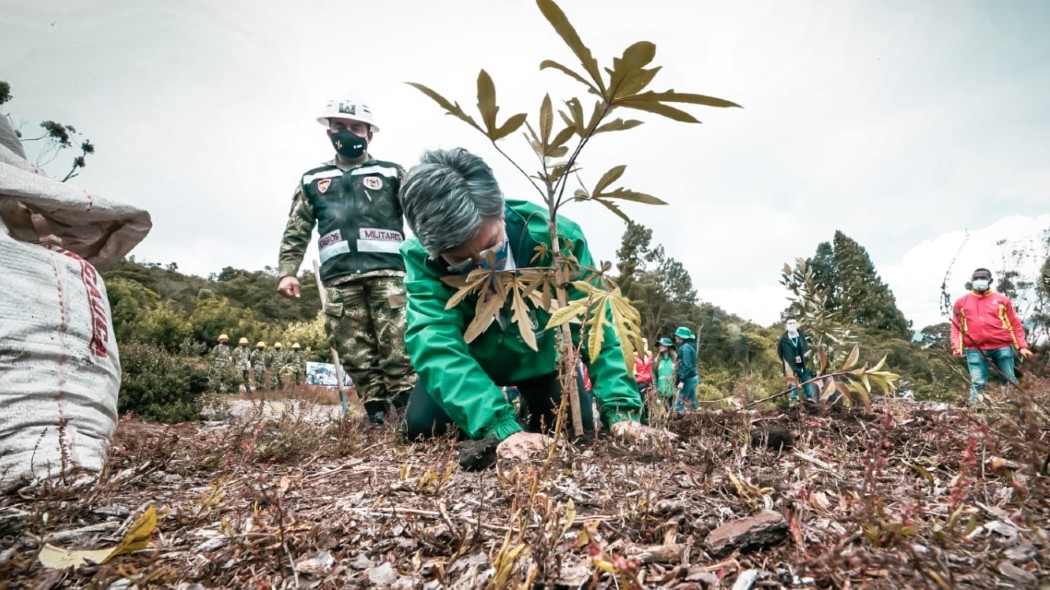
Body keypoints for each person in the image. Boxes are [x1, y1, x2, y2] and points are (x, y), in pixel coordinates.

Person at [397, 148, 673, 460]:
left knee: (570, 425)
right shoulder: (421, 258)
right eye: (461, 259)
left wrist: (622, 413)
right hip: (472, 362)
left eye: (491, 245)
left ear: (500, 211)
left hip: (541, 360)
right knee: (422, 425)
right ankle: (492, 408)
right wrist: (500, 426)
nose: (482, 265)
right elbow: (434, 341)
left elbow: (597, 325)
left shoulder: (555, 237)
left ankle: (532, 404)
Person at [276, 97, 416, 422]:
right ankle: (378, 417)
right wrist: (287, 272)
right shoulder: (313, 179)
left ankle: (409, 416)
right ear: (329, 131)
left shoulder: (392, 173)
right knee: (354, 351)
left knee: (397, 345)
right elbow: (297, 227)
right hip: (340, 279)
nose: (347, 133)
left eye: (355, 127)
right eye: (339, 127)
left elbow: (420, 216)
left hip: (390, 274)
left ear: (369, 133)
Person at [950, 267, 1032, 403]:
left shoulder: (1003, 301)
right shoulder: (961, 303)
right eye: (976, 279)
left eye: (983, 278)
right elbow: (956, 327)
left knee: (1009, 380)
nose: (979, 281)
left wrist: (1022, 346)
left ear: (990, 280)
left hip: (1002, 347)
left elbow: (1014, 324)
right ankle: (977, 410)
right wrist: (956, 346)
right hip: (974, 349)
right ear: (972, 281)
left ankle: (1014, 408)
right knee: (978, 382)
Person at [777, 318, 817, 403]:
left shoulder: (804, 336)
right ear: (786, 326)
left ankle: (811, 402)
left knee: (808, 384)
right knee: (793, 388)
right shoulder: (783, 340)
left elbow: (811, 348)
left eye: (793, 323)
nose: (792, 325)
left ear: (797, 324)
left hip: (805, 364)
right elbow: (780, 353)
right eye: (790, 323)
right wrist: (787, 362)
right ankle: (794, 405)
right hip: (791, 366)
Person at [673, 326, 698, 413]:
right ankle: (697, 420)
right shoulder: (690, 346)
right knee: (693, 404)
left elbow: (687, 365)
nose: (675, 337)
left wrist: (682, 381)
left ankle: (680, 424)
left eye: (677, 335)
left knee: (678, 405)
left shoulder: (686, 347)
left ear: (682, 337)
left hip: (688, 379)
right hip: (693, 377)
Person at [652, 337, 677, 417]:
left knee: (674, 409)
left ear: (668, 346)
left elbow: (679, 374)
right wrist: (655, 388)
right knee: (666, 410)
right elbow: (655, 376)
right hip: (661, 390)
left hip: (673, 390)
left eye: (662, 345)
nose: (660, 346)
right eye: (659, 345)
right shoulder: (657, 360)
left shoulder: (675, 359)